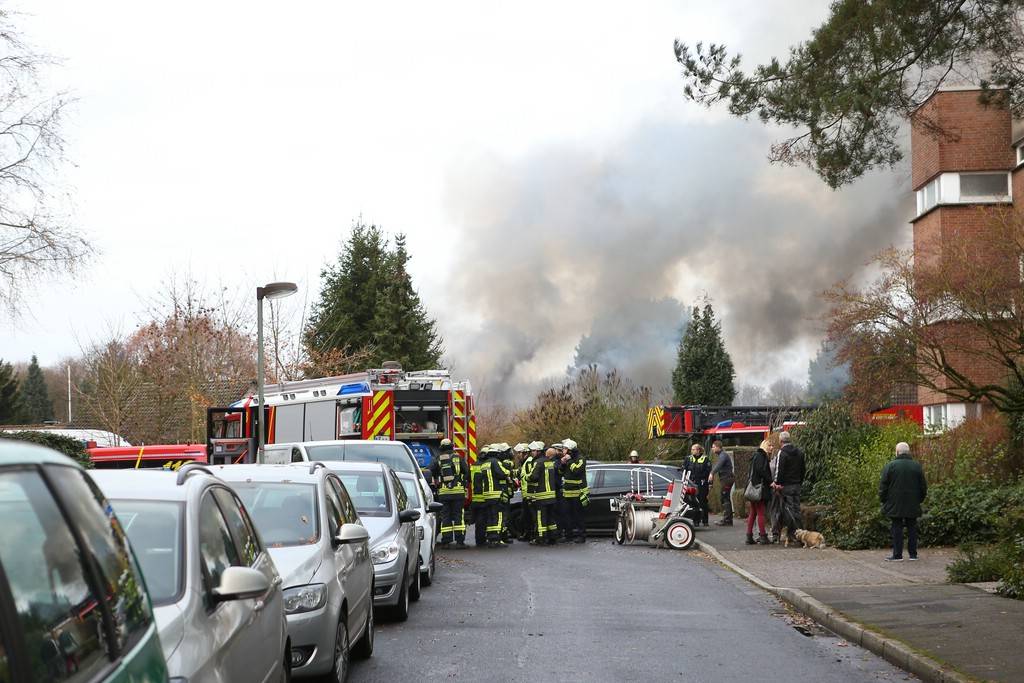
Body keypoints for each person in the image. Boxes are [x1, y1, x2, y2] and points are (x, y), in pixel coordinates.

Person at [879, 441, 928, 561]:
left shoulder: (890, 466)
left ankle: (897, 555)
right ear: (908, 452)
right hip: (913, 502)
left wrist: (883, 500)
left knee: (897, 527)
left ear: (897, 452)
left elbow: (883, 486)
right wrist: (919, 499)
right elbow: (923, 486)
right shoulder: (916, 466)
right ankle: (913, 554)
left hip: (895, 502)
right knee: (912, 527)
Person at [429, 438, 468, 549]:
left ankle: (446, 542)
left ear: (441, 448)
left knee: (445, 516)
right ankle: (460, 542)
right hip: (458, 493)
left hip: (444, 493)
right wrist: (462, 483)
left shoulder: (437, 459)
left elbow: (429, 472)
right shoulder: (459, 458)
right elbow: (467, 473)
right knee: (458, 516)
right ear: (452, 446)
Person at [771, 431, 805, 546]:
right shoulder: (800, 452)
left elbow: (779, 470)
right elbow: (803, 470)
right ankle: (797, 534)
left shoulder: (782, 453)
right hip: (797, 485)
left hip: (786, 486)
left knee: (787, 511)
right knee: (796, 509)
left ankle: (796, 533)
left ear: (781, 441)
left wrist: (777, 483)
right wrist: (800, 482)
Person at [558, 438, 589, 544]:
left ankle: (581, 536)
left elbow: (576, 471)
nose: (563, 451)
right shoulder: (565, 459)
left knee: (578, 515)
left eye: (565, 449)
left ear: (570, 450)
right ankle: (568, 535)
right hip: (567, 493)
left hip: (578, 492)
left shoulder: (580, 459)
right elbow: (560, 472)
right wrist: (562, 464)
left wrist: (569, 461)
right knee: (566, 515)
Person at [529, 447, 560, 545]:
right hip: (551, 495)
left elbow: (534, 477)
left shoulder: (539, 462)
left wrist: (526, 477)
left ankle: (541, 538)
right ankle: (553, 536)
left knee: (540, 518)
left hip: (541, 496)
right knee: (551, 517)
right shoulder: (550, 463)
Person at [745, 440, 773, 545]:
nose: (772, 447)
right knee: (761, 513)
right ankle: (763, 536)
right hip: (759, 489)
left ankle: (749, 535)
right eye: (770, 445)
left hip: (753, 487)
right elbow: (762, 471)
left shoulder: (755, 456)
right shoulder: (762, 456)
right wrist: (771, 482)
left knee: (753, 512)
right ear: (765, 446)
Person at [520, 441, 544, 541]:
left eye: (520, 452)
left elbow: (532, 476)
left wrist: (524, 477)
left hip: (531, 493)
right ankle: (530, 534)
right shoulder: (528, 461)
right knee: (528, 516)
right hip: (528, 493)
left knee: (533, 517)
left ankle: (533, 535)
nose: (518, 455)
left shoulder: (530, 461)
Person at [684, 443, 712, 526]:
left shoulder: (705, 459)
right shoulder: (688, 459)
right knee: (693, 502)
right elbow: (684, 469)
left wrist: (709, 483)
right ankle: (696, 521)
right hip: (691, 483)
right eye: (691, 449)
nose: (692, 451)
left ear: (698, 450)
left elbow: (708, 471)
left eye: (693, 449)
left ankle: (705, 521)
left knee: (703, 502)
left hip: (702, 483)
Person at [710, 439, 735, 526]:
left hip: (727, 479)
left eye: (713, 447)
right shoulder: (722, 455)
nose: (712, 449)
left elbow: (719, 464)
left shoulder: (723, 455)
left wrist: (712, 473)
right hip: (726, 479)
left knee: (725, 498)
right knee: (725, 497)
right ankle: (728, 519)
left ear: (718, 447)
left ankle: (727, 520)